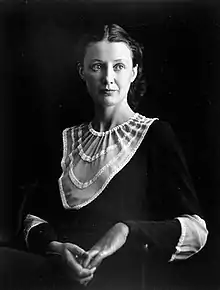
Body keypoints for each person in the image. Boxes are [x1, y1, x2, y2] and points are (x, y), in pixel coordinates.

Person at [23, 23, 208, 290]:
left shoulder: (155, 134)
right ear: (82, 72)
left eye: (119, 66)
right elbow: (33, 219)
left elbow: (196, 230)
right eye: (97, 66)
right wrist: (55, 247)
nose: (108, 78)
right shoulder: (65, 139)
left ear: (134, 72)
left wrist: (126, 230)